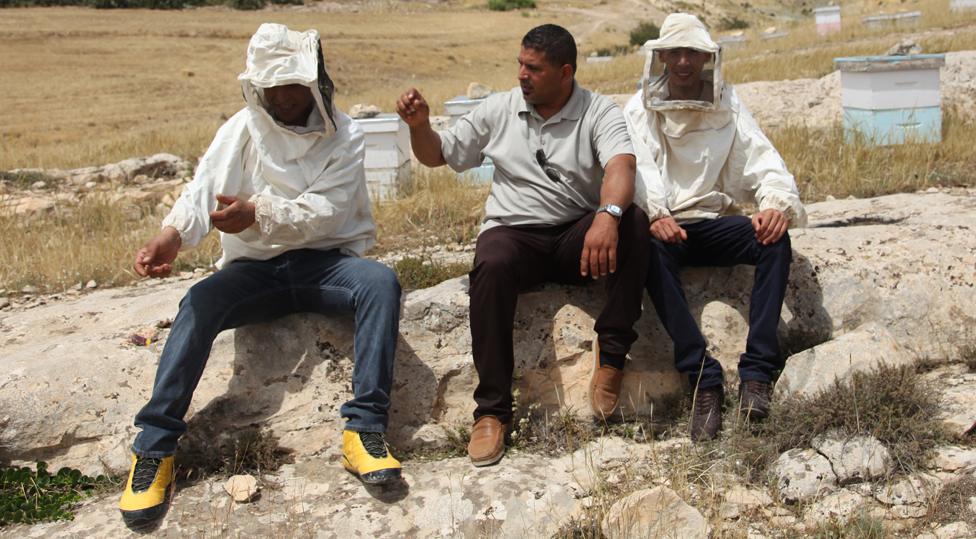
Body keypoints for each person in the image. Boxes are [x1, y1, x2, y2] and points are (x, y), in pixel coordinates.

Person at [118, 23, 403, 531]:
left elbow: (327, 212)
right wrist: (171, 236)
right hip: (254, 271)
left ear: (315, 82)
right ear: (258, 87)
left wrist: (259, 214)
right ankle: (154, 451)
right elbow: (204, 190)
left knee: (379, 283)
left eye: (293, 84)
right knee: (198, 304)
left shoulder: (346, 135)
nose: (283, 96)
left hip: (325, 264)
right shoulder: (242, 128)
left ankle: (364, 431)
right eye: (272, 86)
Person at [396, 24, 649, 467]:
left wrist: (607, 217)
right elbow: (439, 155)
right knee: (491, 261)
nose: (521, 75)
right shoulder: (499, 109)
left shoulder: (598, 111)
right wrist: (419, 126)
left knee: (633, 223)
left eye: (534, 68)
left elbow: (621, 165)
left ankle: (611, 357)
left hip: (577, 236)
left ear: (565, 72)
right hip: (516, 234)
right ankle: (491, 412)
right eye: (520, 64)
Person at [622, 13, 807, 441]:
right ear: (663, 55)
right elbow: (638, 168)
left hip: (713, 221)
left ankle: (757, 374)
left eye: (694, 53)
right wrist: (657, 214)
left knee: (774, 240)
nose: (685, 61)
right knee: (647, 249)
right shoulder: (641, 107)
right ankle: (703, 377)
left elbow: (762, 157)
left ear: (707, 57)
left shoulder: (727, 101)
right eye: (677, 52)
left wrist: (774, 205)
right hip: (666, 228)